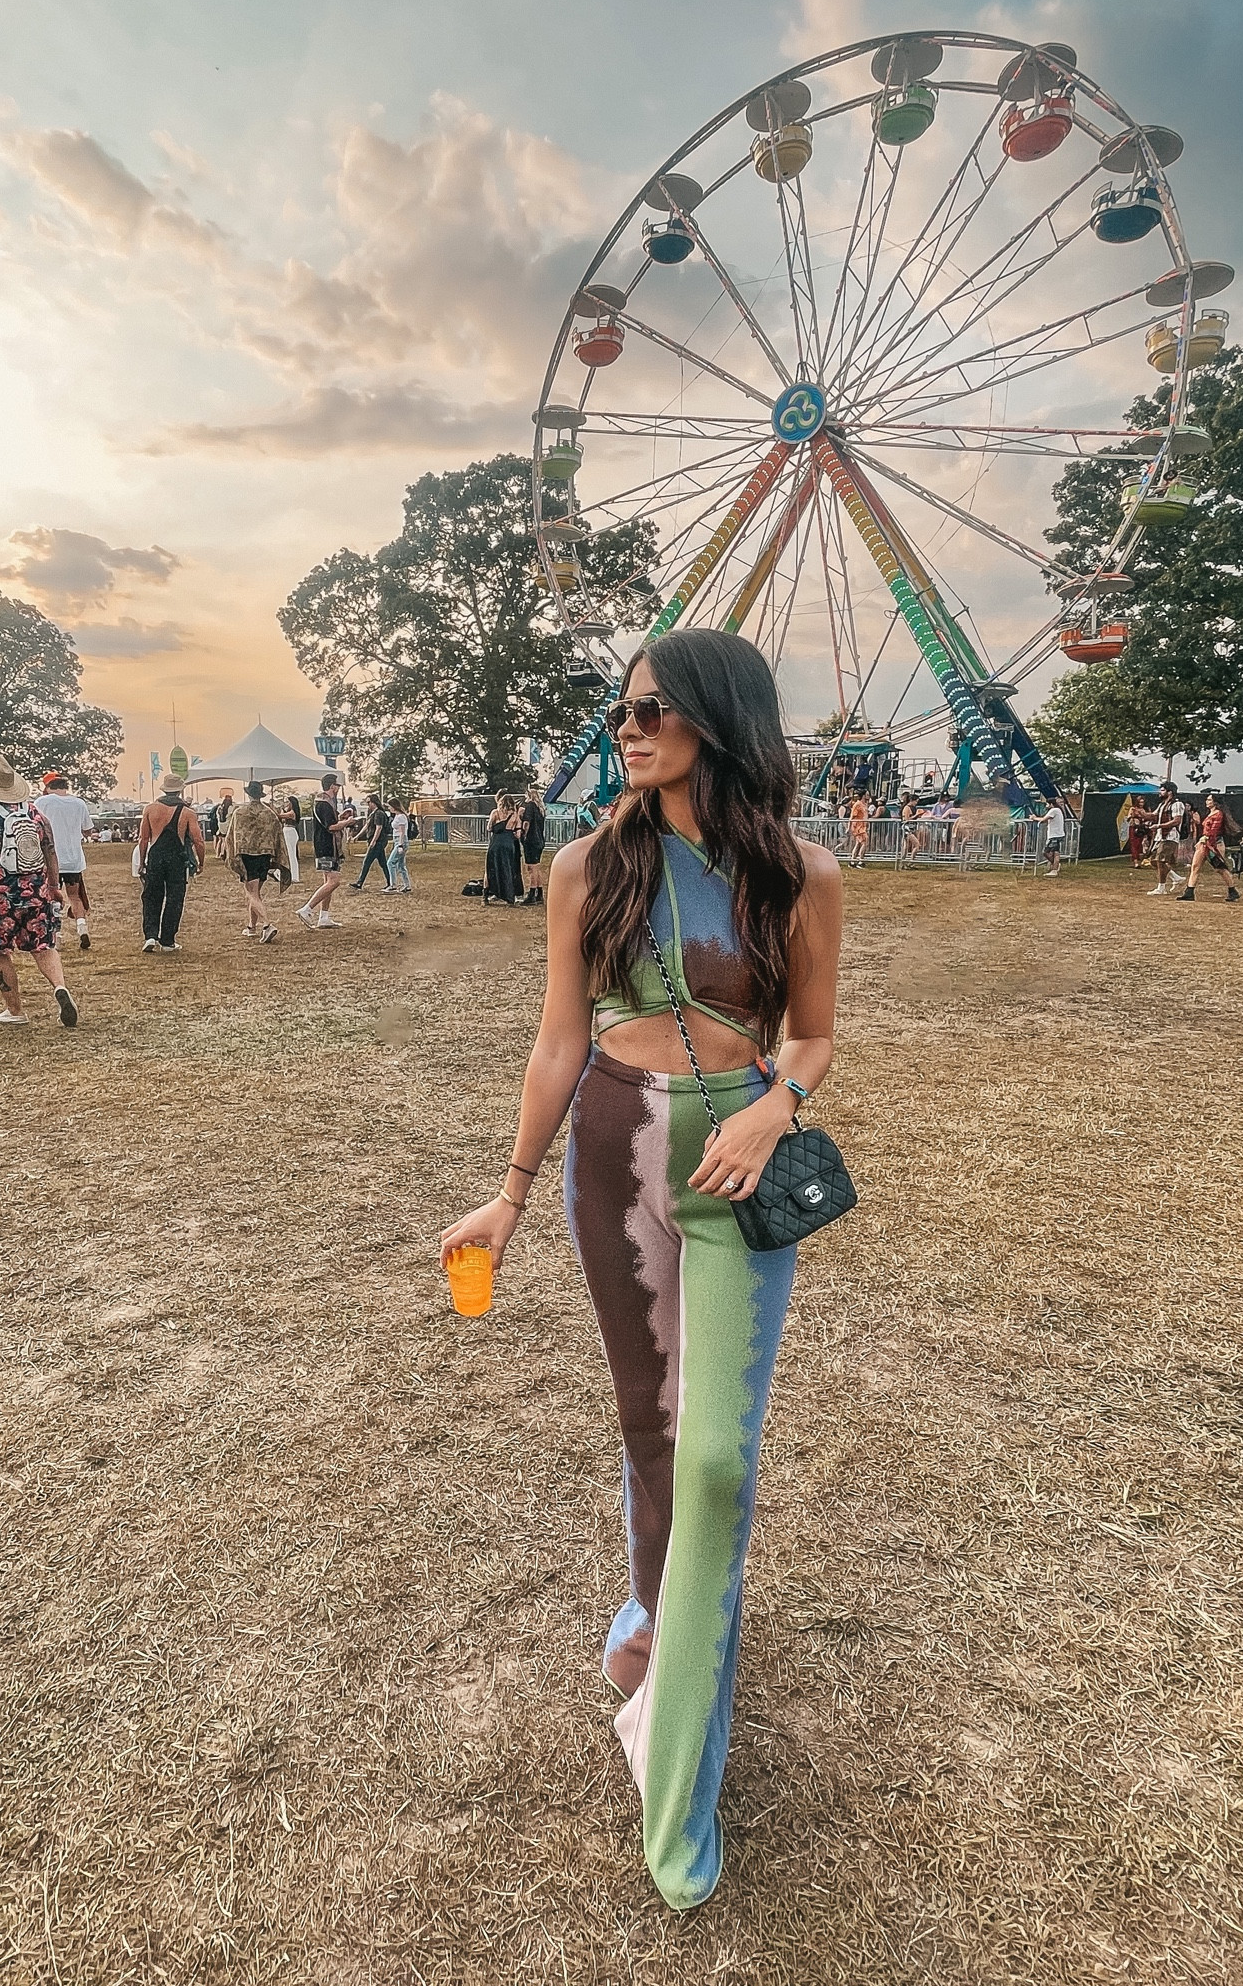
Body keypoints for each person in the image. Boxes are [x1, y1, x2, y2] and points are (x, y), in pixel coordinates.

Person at [440, 631, 842, 1913]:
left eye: (653, 707)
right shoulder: (583, 867)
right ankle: (655, 1619)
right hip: (612, 1147)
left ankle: (677, 1786)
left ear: (720, 718)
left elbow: (818, 1035)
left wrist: (769, 1107)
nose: (629, 725)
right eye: (619, 710)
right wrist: (507, 1194)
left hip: (732, 1162)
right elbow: (560, 1040)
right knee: (650, 1429)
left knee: (718, 1454)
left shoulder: (801, 874)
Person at [0, 751, 79, 1026]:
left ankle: (15, 1011)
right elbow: (50, 850)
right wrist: (53, 885)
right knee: (44, 945)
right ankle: (60, 987)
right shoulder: (35, 813)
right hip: (36, 889)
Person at [137, 772, 206, 952]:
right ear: (180, 791)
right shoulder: (188, 812)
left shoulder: (150, 809)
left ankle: (150, 935)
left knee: (151, 896)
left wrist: (142, 861)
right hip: (177, 857)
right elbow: (198, 840)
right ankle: (167, 940)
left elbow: (143, 839)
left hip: (155, 856)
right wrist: (201, 862)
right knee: (175, 898)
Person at [32, 772, 95, 948]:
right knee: (75, 896)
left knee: (53, 897)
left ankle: (57, 935)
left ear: (48, 788)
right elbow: (88, 830)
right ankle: (82, 928)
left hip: (51, 858)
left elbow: (33, 825)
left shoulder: (42, 802)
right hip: (73, 858)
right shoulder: (79, 803)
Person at [225, 783, 283, 941]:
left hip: (247, 855)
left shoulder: (240, 812)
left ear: (248, 794)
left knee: (251, 893)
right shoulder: (269, 813)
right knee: (255, 892)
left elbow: (231, 835)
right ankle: (251, 927)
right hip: (265, 855)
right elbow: (277, 833)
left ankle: (267, 924)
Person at [298, 776, 351, 927]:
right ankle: (307, 909)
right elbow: (331, 827)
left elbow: (329, 822)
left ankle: (324, 916)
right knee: (334, 881)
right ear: (332, 786)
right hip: (327, 846)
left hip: (326, 845)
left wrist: (341, 817)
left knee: (328, 881)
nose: (338, 789)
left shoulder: (322, 802)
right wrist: (347, 822)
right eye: (337, 786)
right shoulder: (325, 804)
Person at [1177, 793, 1241, 903]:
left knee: (1220, 868)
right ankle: (1189, 891)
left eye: (1209, 800)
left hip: (1213, 844)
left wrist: (1203, 840)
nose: (1207, 801)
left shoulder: (1218, 814)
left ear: (1215, 802)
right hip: (1205, 843)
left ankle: (1232, 890)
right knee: (1195, 866)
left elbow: (1213, 831)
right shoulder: (1211, 814)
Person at [1146, 781, 1188, 897]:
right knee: (1154, 861)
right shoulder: (1162, 804)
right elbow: (1153, 816)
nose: (1160, 792)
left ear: (1170, 792)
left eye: (1163, 790)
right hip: (1160, 836)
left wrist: (1159, 826)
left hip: (1170, 836)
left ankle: (1161, 887)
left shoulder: (1177, 804)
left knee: (1160, 860)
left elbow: (1177, 821)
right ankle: (1176, 878)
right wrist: (1140, 813)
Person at [484, 793, 523, 904]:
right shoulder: (515, 815)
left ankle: (486, 895)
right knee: (508, 868)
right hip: (509, 842)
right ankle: (510, 896)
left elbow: (489, 827)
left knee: (490, 868)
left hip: (496, 842)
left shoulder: (495, 813)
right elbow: (518, 833)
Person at [351, 794, 396, 892]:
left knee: (367, 862)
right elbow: (366, 826)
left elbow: (378, 828)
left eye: (369, 802)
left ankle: (360, 882)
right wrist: (357, 836)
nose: (368, 805)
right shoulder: (373, 813)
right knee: (383, 863)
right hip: (376, 841)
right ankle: (390, 882)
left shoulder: (379, 813)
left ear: (374, 802)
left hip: (378, 842)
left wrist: (374, 841)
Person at [520, 791, 547, 905]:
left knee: (531, 868)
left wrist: (523, 834)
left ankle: (532, 893)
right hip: (539, 839)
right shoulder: (540, 809)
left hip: (531, 840)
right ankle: (539, 893)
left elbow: (527, 823)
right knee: (537, 867)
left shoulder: (530, 806)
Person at [387, 803, 412, 893]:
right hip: (397, 840)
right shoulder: (398, 816)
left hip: (401, 841)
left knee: (390, 863)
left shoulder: (401, 817)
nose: (389, 808)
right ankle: (407, 885)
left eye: (389, 806)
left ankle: (393, 885)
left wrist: (400, 845)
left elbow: (402, 832)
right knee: (401, 865)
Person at [279, 794, 302, 887]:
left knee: (291, 855)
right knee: (288, 854)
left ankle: (294, 876)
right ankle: (281, 873)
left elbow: (280, 816)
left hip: (290, 832)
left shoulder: (292, 813)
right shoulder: (290, 812)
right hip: (288, 831)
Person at [1042, 797, 1067, 876]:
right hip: (1055, 835)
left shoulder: (1054, 810)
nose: (1046, 805)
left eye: (1047, 804)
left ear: (1051, 804)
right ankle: (1055, 865)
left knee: (1050, 852)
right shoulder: (1057, 810)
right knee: (1051, 852)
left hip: (1055, 835)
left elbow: (1043, 819)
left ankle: (1055, 869)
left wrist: (1034, 818)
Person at [847, 794, 870, 867]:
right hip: (858, 827)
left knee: (858, 844)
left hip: (863, 826)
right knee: (865, 842)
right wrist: (849, 827)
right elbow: (852, 816)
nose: (868, 796)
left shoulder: (864, 804)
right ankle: (860, 860)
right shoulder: (857, 804)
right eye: (867, 794)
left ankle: (853, 861)